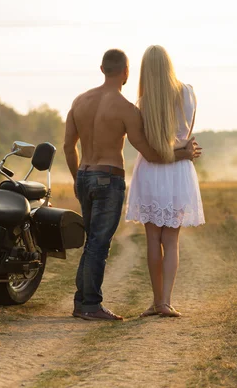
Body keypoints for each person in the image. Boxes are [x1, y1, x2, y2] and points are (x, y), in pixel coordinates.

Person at [64, 49, 201, 321]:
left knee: (92, 241)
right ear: (126, 72)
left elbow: (69, 146)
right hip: (109, 176)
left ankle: (83, 301)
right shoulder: (127, 108)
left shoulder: (80, 101)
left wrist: (76, 179)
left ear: (101, 69)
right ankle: (90, 304)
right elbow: (152, 152)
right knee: (99, 244)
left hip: (85, 174)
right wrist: (183, 153)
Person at [125, 45, 205, 318]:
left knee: (152, 238)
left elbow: (149, 146)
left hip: (150, 170)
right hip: (178, 169)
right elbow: (187, 135)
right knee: (171, 240)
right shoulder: (188, 93)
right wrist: (183, 150)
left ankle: (156, 301)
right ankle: (166, 302)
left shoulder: (142, 103)